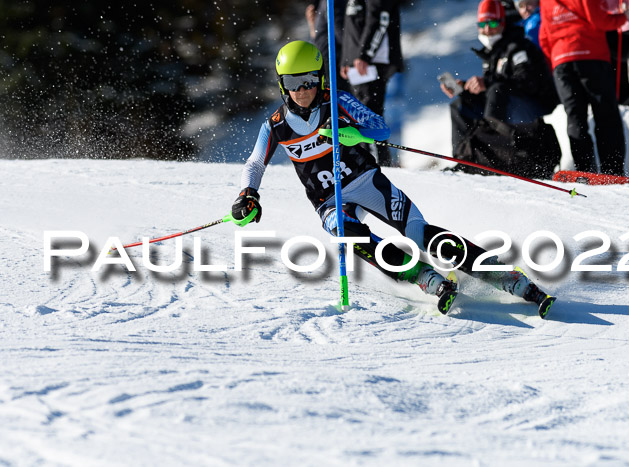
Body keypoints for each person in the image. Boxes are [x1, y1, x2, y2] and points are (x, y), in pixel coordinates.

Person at [230, 40, 556, 317]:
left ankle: (501, 275)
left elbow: (380, 129)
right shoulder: (275, 125)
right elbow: (255, 163)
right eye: (293, 83)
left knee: (420, 233)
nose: (302, 91)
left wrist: (351, 134)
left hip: (366, 181)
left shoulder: (338, 101)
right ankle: (423, 277)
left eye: (309, 81)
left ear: (319, 77)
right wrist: (248, 194)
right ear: (281, 85)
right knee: (349, 233)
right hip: (329, 201)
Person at [441, 0, 557, 156]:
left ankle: (497, 154)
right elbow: (491, 90)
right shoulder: (492, 54)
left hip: (535, 108)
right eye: (483, 25)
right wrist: (466, 89)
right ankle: (465, 157)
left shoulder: (517, 46)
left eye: (493, 24)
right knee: (460, 105)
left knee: (497, 90)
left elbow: (528, 82)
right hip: (508, 106)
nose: (488, 29)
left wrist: (488, 84)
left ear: (503, 23)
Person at [539, 0, 627, 175]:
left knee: (575, 117)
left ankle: (584, 171)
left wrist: (556, 60)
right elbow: (598, 20)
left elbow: (544, 35)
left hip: (561, 61)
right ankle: (612, 171)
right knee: (606, 115)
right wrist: (622, 18)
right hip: (590, 54)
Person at [340, 0, 403, 167]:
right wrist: (347, 60)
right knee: (358, 117)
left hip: (373, 63)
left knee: (370, 118)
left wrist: (364, 55)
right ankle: (366, 163)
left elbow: (380, 20)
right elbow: (351, 28)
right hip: (358, 66)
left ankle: (380, 165)